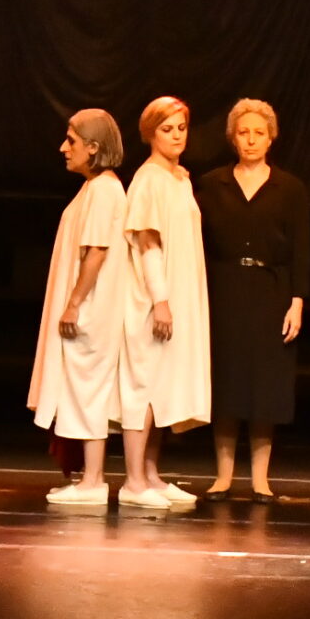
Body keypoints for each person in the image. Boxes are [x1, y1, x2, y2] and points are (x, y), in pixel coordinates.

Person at [195, 99, 310, 503]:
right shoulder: (212, 184)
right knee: (227, 383)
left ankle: (261, 480)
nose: (250, 140)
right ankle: (223, 477)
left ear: (271, 137)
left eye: (258, 132)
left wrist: (297, 301)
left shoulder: (290, 188)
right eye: (243, 132)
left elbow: (301, 250)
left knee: (265, 386)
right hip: (224, 289)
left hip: (271, 291)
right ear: (232, 137)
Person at [28, 110, 129, 509]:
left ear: (94, 147)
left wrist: (73, 303)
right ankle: (90, 478)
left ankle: (93, 480)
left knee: (89, 388)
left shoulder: (104, 189)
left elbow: (96, 252)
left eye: (71, 140)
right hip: (88, 304)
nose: (63, 148)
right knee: (82, 387)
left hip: (92, 306)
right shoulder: (94, 188)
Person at [117, 97, 211, 512]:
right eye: (167, 129)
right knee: (144, 387)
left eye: (181, 128)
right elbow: (148, 243)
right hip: (153, 298)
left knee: (163, 386)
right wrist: (160, 300)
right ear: (150, 134)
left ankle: (150, 473)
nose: (176, 136)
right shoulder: (149, 179)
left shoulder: (179, 178)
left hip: (178, 294)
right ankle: (133, 480)